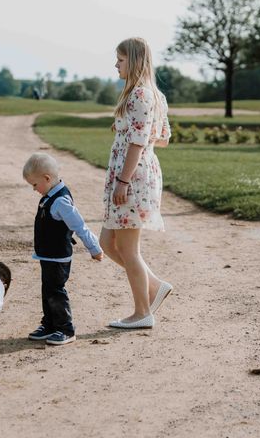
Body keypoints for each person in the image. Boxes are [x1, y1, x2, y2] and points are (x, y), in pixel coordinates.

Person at [101, 37, 173, 329]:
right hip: (136, 173)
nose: (116, 65)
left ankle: (142, 312)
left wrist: (123, 179)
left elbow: (140, 140)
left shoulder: (141, 95)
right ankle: (154, 285)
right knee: (107, 242)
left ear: (134, 60)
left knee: (128, 249)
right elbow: (164, 137)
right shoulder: (153, 95)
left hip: (133, 177)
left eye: (120, 59)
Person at [23, 153, 103, 345]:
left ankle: (65, 328)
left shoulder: (60, 201)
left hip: (58, 257)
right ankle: (49, 324)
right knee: (47, 290)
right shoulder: (49, 195)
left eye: (35, 185)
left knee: (56, 291)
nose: (34, 189)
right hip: (47, 255)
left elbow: (80, 226)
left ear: (47, 179)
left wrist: (94, 248)